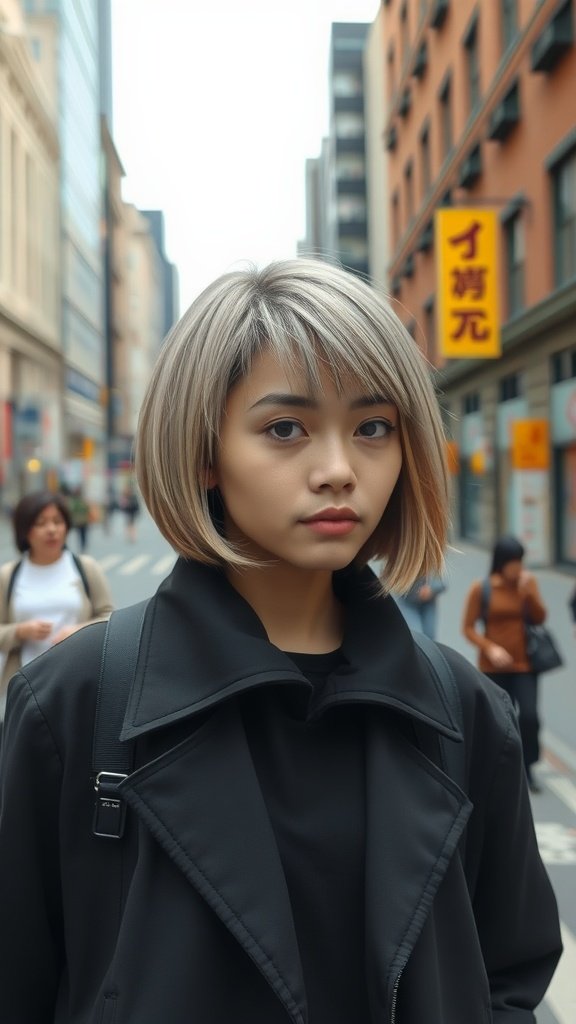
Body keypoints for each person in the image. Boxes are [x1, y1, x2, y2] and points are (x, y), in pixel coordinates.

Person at [0, 260, 561, 1023]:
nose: (338, 471)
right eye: (285, 429)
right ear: (205, 453)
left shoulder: (465, 712)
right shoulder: (71, 705)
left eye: (373, 428)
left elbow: (510, 976)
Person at [0, 490, 114, 719]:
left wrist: (79, 630)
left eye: (57, 521)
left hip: (78, 684)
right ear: (25, 530)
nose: (51, 529)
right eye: (41, 523)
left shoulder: (85, 568)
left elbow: (110, 618)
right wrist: (20, 631)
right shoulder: (8, 576)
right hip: (25, 687)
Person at [462, 535, 548, 794]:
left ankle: (528, 767)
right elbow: (468, 628)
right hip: (492, 668)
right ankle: (501, 771)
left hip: (525, 665)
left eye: (520, 561)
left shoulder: (527, 583)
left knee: (530, 717)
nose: (518, 567)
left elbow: (540, 617)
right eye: (513, 562)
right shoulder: (483, 588)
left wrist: (528, 593)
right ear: (501, 562)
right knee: (499, 722)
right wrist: (490, 647)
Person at [395, 574, 447, 638]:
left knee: (430, 636)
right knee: (416, 635)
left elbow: (444, 581)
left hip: (428, 604)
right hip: (408, 601)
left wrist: (431, 589)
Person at [68, 486, 91, 552]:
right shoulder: (81, 501)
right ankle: (83, 545)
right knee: (83, 534)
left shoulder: (75, 501)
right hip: (82, 520)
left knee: (81, 534)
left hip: (80, 520)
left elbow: (72, 510)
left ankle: (83, 545)